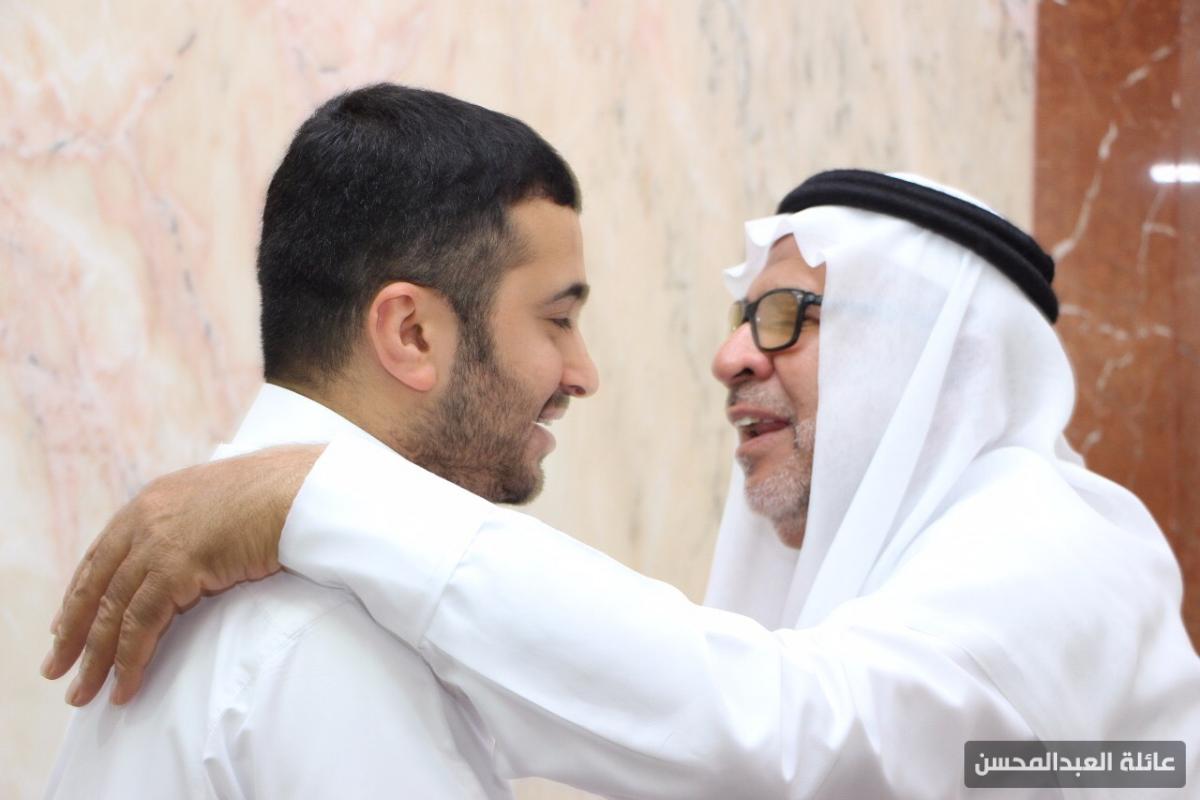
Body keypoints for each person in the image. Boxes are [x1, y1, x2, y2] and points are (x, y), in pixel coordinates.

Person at [44, 171, 1200, 798]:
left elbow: (804, 739)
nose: (731, 354)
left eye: (788, 315)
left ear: (930, 357)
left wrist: (317, 495)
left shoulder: (1060, 542)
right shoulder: (310, 638)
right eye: (743, 314)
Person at [42, 82, 598, 799]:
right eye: (558, 320)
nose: (583, 374)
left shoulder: (232, 605)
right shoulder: (332, 634)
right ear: (412, 333)